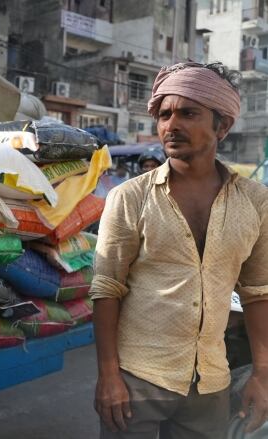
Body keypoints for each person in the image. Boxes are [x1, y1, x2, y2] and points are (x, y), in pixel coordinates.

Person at [91, 61, 268, 439]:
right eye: (165, 113)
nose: (172, 125)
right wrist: (108, 375)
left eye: (189, 113)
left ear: (223, 126)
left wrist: (262, 376)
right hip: (137, 379)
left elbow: (258, 292)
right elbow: (106, 288)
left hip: (210, 383)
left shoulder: (256, 202)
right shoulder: (130, 197)